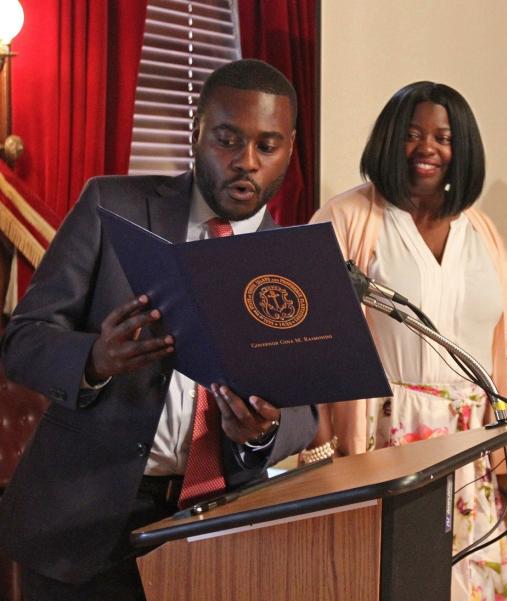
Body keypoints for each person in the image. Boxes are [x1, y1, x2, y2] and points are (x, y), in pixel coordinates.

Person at [0, 59, 319, 600]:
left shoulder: (293, 264)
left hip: (218, 526)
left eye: (267, 146)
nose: (246, 162)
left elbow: (304, 412)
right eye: (227, 139)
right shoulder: (113, 206)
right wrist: (94, 360)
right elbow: (24, 339)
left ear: (289, 149)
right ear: (196, 131)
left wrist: (261, 432)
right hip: (84, 525)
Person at [309, 81, 507, 601]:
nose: (427, 148)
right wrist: (323, 452)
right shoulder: (348, 217)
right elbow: (312, 340)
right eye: (412, 134)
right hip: (378, 440)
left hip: (468, 447)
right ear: (390, 140)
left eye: (443, 136)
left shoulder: (483, 231)